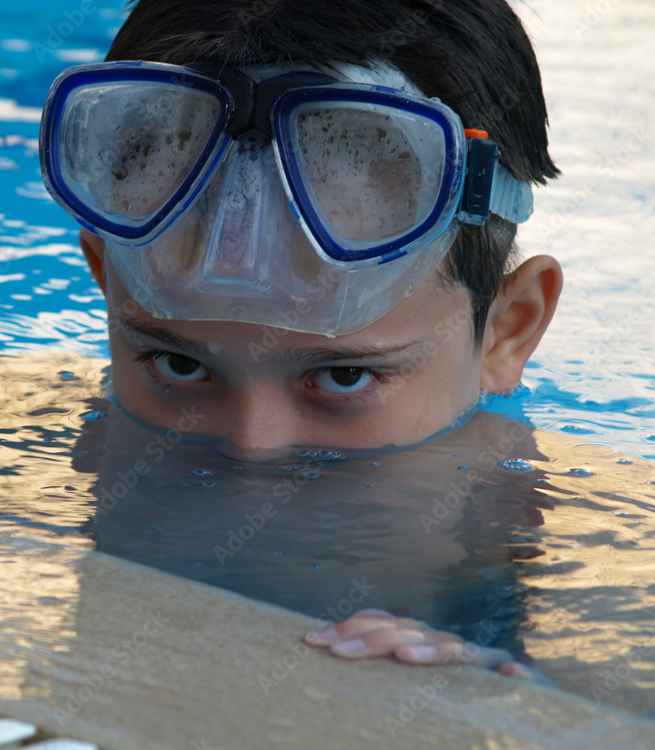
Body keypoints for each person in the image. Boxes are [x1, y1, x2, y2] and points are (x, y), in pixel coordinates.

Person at [38, 0, 563, 677]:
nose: (252, 449)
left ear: (506, 334)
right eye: (177, 364)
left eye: (343, 377)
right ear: (106, 280)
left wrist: (512, 709)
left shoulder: (613, 547)